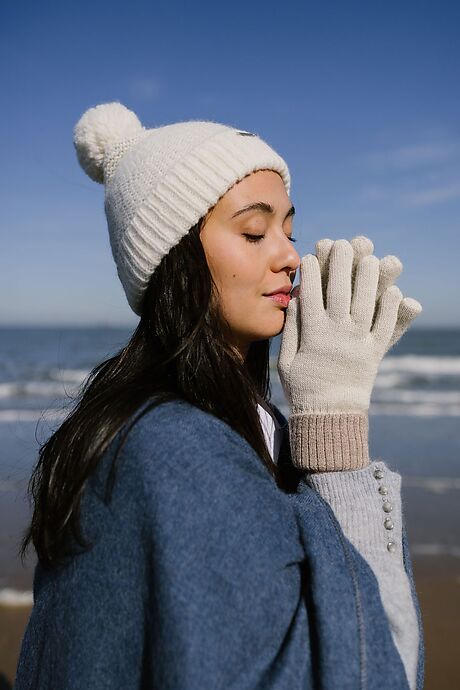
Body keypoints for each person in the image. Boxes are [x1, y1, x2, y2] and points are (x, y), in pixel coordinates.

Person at [14, 102, 424, 689]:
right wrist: (335, 427)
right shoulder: (175, 449)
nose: (288, 255)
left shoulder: (166, 423)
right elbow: (369, 671)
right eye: (254, 231)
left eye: (288, 229)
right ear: (173, 257)